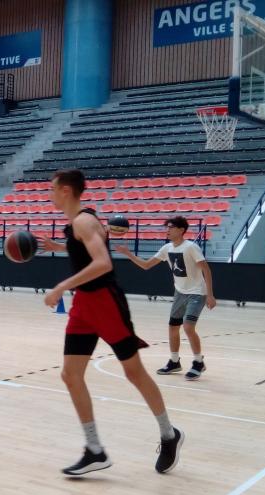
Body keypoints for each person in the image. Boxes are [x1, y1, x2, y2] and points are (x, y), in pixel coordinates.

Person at [37, 169, 183, 476]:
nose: (48, 193)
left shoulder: (84, 220)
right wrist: (59, 248)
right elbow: (86, 250)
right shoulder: (77, 224)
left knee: (134, 373)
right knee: (70, 375)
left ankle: (170, 435)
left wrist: (62, 286)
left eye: (52, 189)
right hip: (83, 307)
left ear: (66, 191)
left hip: (105, 302)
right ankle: (94, 450)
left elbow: (102, 263)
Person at [115, 216, 217, 380]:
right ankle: (174, 361)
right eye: (167, 227)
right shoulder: (166, 248)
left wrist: (210, 294)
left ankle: (198, 362)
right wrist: (128, 254)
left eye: (171, 227)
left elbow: (206, 269)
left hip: (197, 292)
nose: (167, 230)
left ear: (181, 230)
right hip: (179, 292)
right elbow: (146, 265)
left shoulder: (191, 247)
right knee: (173, 327)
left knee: (188, 327)